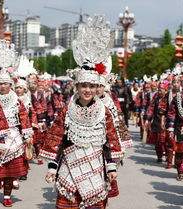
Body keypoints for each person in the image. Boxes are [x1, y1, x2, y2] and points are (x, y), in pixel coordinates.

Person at [40, 15, 122, 209]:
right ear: (76, 86)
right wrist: (52, 167)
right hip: (70, 163)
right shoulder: (67, 110)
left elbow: (110, 140)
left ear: (97, 88)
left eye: (91, 86)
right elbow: (57, 139)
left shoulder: (104, 111)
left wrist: (111, 167)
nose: (87, 90)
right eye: (83, 85)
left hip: (95, 164)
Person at [0, 40, 33, 207]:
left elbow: (24, 118)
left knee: (8, 172)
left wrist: (27, 136)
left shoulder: (17, 100)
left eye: (5, 83)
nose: (2, 86)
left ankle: (7, 196)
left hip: (13, 137)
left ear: (10, 84)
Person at [144, 83, 169, 163]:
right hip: (156, 122)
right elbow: (151, 108)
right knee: (158, 142)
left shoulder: (170, 98)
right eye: (159, 89)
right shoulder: (156, 98)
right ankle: (159, 157)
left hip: (167, 122)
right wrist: (147, 118)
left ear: (166, 90)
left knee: (166, 141)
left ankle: (168, 157)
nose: (159, 91)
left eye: (161, 89)